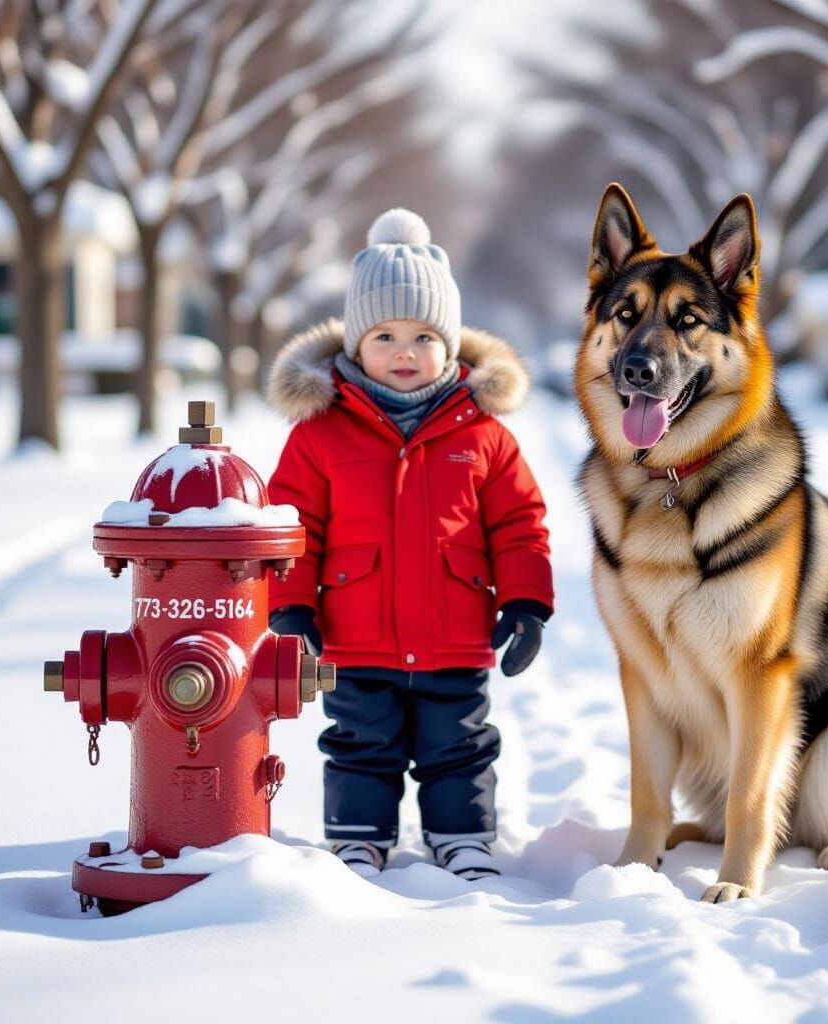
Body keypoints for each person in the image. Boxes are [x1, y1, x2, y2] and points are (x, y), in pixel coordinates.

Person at [266, 208, 554, 881]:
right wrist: (291, 607)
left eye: (424, 335)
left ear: (451, 346)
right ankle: (359, 840)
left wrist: (525, 603)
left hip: (454, 632)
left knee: (459, 744)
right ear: (354, 344)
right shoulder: (320, 433)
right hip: (353, 634)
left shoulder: (482, 434)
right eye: (385, 334)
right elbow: (291, 525)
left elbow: (520, 523)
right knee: (361, 743)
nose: (404, 351)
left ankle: (463, 838)